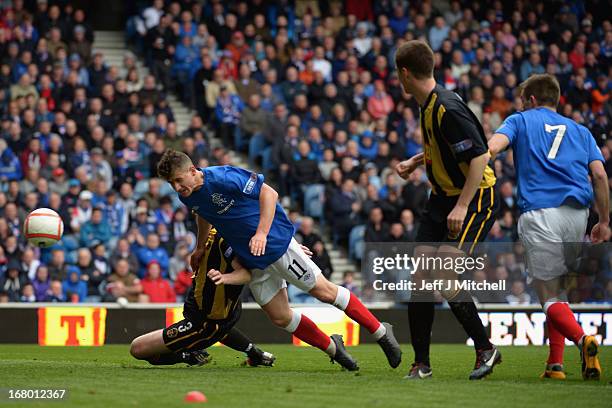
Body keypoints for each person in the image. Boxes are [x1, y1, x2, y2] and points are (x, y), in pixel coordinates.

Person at [156, 149, 402, 371]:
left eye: (179, 180)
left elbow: (269, 193)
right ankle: (333, 347)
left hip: (274, 245)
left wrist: (263, 234)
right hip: (252, 256)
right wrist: (199, 248)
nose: (177, 187)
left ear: (192, 170)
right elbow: (203, 213)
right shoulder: (188, 195)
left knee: (325, 292)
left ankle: (381, 332)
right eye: (171, 183)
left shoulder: (223, 177)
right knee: (281, 317)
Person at [488, 74, 609, 380]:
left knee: (547, 294)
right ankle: (555, 365)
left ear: (530, 100)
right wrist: (604, 220)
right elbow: (599, 175)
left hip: (541, 212)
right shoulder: (582, 131)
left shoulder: (520, 120)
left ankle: (584, 341)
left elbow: (493, 148)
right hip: (578, 215)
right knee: (558, 290)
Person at [394, 40, 501, 380]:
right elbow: (444, 147)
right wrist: (415, 160)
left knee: (444, 274)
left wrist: (463, 205)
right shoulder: (428, 105)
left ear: (405, 73)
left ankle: (486, 348)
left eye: (399, 74)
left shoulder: (447, 107)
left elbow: (480, 157)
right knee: (420, 279)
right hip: (441, 198)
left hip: (473, 198)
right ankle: (421, 363)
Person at [130, 228, 276, 368]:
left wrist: (224, 277)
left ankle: (189, 356)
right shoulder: (211, 228)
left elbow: (245, 274)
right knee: (219, 328)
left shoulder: (226, 239)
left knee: (137, 348)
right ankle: (255, 353)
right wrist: (199, 247)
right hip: (212, 312)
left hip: (203, 322)